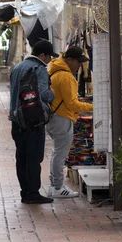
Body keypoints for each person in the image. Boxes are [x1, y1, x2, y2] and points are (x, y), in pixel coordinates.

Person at [9, 40, 58, 204]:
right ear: (42, 55)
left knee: (21, 158)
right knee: (34, 157)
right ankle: (33, 193)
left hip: (17, 120)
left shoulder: (17, 67)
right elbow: (44, 94)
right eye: (49, 57)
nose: (50, 60)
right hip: (33, 121)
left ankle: (25, 192)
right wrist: (53, 94)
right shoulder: (39, 69)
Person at [47, 46, 94, 198]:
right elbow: (72, 104)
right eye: (78, 62)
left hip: (54, 117)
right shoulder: (66, 77)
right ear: (69, 60)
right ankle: (58, 187)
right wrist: (94, 106)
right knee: (60, 155)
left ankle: (54, 186)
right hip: (62, 118)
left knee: (56, 153)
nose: (80, 65)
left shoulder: (54, 70)